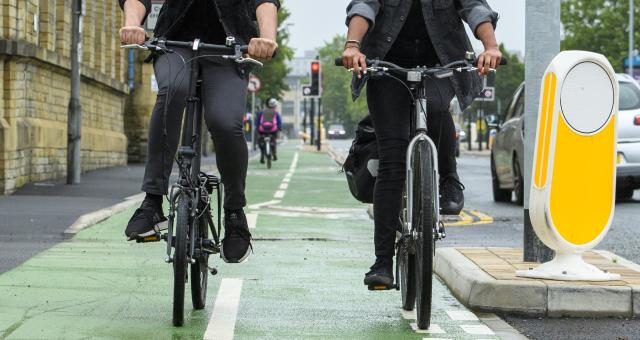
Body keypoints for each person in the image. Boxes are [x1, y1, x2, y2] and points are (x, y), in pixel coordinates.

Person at [341, 0, 502, 288]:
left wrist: (490, 46)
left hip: (440, 65)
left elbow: (475, 7)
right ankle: (382, 263)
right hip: (386, 68)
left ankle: (449, 178)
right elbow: (364, 6)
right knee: (392, 160)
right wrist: (353, 45)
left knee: (438, 110)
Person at [118, 0, 279, 263]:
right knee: (173, 92)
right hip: (175, 45)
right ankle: (152, 201)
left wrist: (266, 37)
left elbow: (265, 2)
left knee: (225, 121)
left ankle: (235, 213)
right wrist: (132, 23)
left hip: (231, 50)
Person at [256, 98, 283, 163]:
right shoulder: (275, 113)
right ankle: (274, 153)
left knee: (261, 141)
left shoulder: (262, 112)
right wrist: (279, 128)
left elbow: (258, 122)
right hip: (272, 130)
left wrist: (257, 128)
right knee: (273, 140)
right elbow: (279, 122)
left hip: (262, 130)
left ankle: (262, 154)